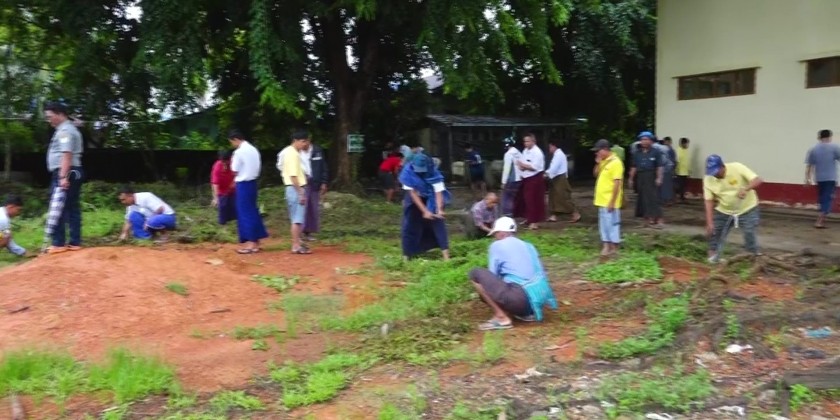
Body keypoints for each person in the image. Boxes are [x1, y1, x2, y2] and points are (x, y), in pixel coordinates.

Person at [467, 216, 558, 330]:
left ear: (501, 233)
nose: (495, 237)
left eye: (495, 234)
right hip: (538, 299)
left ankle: (501, 317)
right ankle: (527, 314)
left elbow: (493, 275)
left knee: (475, 273)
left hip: (519, 299)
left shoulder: (497, 245)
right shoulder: (528, 245)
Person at [704, 155, 763, 264]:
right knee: (715, 232)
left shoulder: (737, 167)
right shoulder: (708, 179)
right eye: (712, 173)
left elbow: (757, 180)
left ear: (722, 166)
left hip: (747, 208)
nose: (715, 175)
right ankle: (713, 258)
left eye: (716, 172)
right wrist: (709, 222)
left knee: (749, 233)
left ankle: (752, 258)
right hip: (724, 210)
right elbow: (708, 201)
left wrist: (746, 189)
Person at [43, 101, 84, 254]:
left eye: (50, 116)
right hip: (73, 171)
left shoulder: (65, 131)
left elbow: (66, 154)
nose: (49, 120)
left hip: (67, 172)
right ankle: (74, 242)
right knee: (72, 206)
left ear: (60, 114)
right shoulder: (68, 129)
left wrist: (62, 177)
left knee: (58, 206)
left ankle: (58, 243)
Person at [399, 152, 451, 260]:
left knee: (438, 223)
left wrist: (439, 209)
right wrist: (425, 211)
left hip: (431, 197)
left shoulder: (434, 173)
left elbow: (438, 192)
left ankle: (446, 257)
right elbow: (413, 194)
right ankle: (406, 257)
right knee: (409, 225)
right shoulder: (407, 174)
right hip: (414, 199)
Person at [228, 130, 269, 254]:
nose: (232, 145)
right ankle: (256, 242)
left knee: (245, 212)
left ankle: (250, 243)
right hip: (253, 182)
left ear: (235, 139)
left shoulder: (239, 152)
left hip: (243, 183)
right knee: (252, 210)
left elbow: (234, 169)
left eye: (231, 142)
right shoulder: (253, 149)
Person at [280, 131, 312, 254]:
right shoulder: (292, 154)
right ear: (295, 140)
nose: (304, 144)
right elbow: (293, 176)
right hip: (295, 188)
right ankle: (296, 245)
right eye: (303, 141)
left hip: (292, 188)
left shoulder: (289, 152)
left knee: (296, 218)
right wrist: (300, 192)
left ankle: (297, 243)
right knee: (297, 219)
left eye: (306, 141)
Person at [592, 140, 624, 256]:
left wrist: (612, 201)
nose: (597, 153)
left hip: (610, 200)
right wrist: (597, 163)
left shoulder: (616, 162)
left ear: (605, 149)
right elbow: (595, 174)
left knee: (612, 224)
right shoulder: (604, 161)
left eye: (598, 151)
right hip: (601, 199)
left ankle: (614, 246)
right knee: (604, 224)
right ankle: (606, 244)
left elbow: (617, 183)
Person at [629, 131, 665, 227]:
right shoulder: (637, 153)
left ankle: (658, 218)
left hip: (651, 176)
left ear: (651, 141)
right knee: (642, 197)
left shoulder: (656, 152)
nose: (644, 141)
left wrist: (659, 178)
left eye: (646, 139)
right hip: (640, 176)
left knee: (653, 197)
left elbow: (659, 166)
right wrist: (631, 179)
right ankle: (647, 217)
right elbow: (634, 167)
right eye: (642, 139)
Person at [805, 129, 840, 228]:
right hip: (830, 178)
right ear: (830, 137)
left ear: (819, 137)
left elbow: (809, 166)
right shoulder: (835, 148)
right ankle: (819, 221)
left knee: (822, 198)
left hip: (819, 178)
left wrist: (807, 178)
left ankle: (821, 219)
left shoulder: (813, 149)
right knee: (827, 199)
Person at [514, 133, 546, 230]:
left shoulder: (537, 152)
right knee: (526, 199)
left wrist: (523, 165)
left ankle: (534, 222)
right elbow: (523, 163)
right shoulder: (525, 151)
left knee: (534, 200)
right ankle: (528, 218)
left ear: (533, 141)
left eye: (528, 141)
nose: (526, 143)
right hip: (526, 177)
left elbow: (534, 167)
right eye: (525, 141)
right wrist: (521, 167)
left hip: (535, 178)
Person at [302, 133, 329, 242]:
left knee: (313, 208)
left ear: (309, 141)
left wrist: (324, 182)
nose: (303, 144)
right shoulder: (296, 151)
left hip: (315, 182)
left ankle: (309, 232)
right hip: (302, 182)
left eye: (305, 141)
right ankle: (300, 232)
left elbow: (324, 167)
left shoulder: (317, 150)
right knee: (302, 207)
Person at [545, 141, 581, 223]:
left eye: (550, 147)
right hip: (555, 178)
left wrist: (546, 173)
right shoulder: (557, 154)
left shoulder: (559, 154)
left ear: (554, 146)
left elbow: (554, 168)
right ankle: (554, 215)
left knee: (562, 197)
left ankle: (575, 213)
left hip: (560, 178)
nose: (549, 149)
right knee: (553, 197)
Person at [210, 150, 237, 225]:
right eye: (223, 162)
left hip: (233, 189)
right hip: (222, 191)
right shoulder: (217, 166)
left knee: (234, 206)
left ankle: (234, 221)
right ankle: (223, 224)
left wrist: (234, 182)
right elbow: (215, 184)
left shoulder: (234, 162)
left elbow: (238, 174)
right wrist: (215, 198)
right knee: (223, 206)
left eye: (226, 162)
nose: (225, 164)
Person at [500, 137, 522, 217]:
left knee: (507, 197)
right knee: (516, 197)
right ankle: (516, 213)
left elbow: (507, 169)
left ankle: (507, 214)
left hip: (511, 179)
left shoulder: (508, 154)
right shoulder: (518, 153)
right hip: (520, 178)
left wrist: (503, 182)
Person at [660, 137, 677, 206]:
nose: (666, 143)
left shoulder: (670, 150)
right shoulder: (667, 150)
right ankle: (667, 200)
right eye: (665, 142)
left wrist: (673, 169)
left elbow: (674, 161)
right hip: (665, 170)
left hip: (668, 169)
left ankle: (667, 200)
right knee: (666, 186)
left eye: (667, 142)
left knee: (667, 186)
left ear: (670, 142)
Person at [675, 138, 692, 202]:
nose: (687, 145)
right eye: (686, 144)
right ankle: (679, 197)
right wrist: (676, 170)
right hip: (679, 171)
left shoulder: (686, 150)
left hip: (685, 171)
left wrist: (689, 170)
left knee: (684, 185)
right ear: (683, 143)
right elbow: (677, 161)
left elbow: (687, 161)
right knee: (680, 185)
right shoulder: (678, 151)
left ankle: (682, 197)